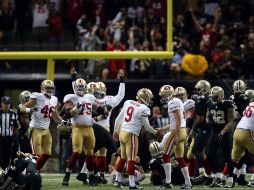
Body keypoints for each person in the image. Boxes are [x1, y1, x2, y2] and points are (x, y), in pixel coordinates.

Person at [113, 88, 162, 189]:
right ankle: (132, 184)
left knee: (123, 157)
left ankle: (117, 181)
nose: (149, 100)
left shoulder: (128, 102)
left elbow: (118, 118)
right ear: (144, 98)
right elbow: (147, 126)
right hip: (131, 134)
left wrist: (115, 131)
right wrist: (156, 132)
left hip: (122, 132)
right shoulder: (143, 108)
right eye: (148, 98)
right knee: (131, 159)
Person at [20, 80, 66, 170]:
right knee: (36, 154)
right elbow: (23, 108)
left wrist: (63, 122)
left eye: (51, 88)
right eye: (48, 88)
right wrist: (30, 110)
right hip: (35, 129)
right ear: (43, 88)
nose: (50, 90)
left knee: (47, 153)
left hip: (46, 129)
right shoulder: (37, 97)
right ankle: (29, 172)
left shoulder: (54, 99)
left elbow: (55, 115)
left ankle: (34, 171)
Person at [62, 78, 99, 186]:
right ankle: (67, 175)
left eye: (83, 87)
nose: (81, 89)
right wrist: (76, 107)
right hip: (77, 128)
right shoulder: (71, 98)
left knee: (90, 154)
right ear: (75, 88)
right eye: (79, 87)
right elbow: (68, 114)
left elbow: (95, 110)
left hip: (89, 128)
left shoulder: (89, 97)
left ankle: (91, 176)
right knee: (76, 152)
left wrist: (103, 110)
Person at [159, 85, 192, 189]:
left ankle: (168, 182)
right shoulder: (177, 101)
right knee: (180, 158)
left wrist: (176, 135)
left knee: (165, 155)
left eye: (164, 95)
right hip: (182, 130)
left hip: (177, 132)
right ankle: (188, 183)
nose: (163, 97)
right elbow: (177, 120)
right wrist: (163, 129)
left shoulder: (172, 102)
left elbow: (177, 120)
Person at [94, 73, 125, 183]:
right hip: (105, 129)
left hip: (93, 128)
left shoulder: (91, 98)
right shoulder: (110, 99)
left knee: (92, 153)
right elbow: (121, 95)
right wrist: (121, 81)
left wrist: (74, 79)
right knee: (103, 154)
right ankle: (101, 175)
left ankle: (93, 174)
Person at [206, 86, 236, 188]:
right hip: (214, 132)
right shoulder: (209, 103)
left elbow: (231, 121)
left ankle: (231, 179)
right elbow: (207, 115)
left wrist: (223, 131)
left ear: (221, 96)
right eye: (212, 96)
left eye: (215, 97)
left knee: (227, 156)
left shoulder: (228, 104)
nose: (213, 99)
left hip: (225, 132)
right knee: (209, 154)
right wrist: (208, 118)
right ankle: (217, 176)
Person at [190, 80, 211, 184]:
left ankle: (202, 174)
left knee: (196, 149)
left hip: (205, 128)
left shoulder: (201, 100)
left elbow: (200, 118)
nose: (197, 92)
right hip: (214, 128)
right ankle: (210, 175)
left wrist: (193, 129)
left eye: (199, 89)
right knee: (206, 152)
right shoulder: (212, 97)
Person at [231, 89, 254, 187]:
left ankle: (226, 178)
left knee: (234, 158)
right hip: (247, 132)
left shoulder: (249, 105)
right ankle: (253, 180)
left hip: (237, 131)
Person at [0, 96, 18, 170]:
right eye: (5, 103)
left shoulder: (13, 113)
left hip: (9, 139)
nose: (6, 105)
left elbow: (16, 127)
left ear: (10, 104)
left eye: (8, 103)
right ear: (1, 104)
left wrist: (15, 137)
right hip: (0, 138)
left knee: (8, 157)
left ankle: (5, 173)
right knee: (0, 156)